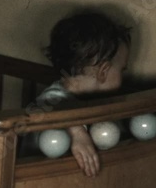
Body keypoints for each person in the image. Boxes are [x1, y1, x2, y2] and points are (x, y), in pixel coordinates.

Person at [36, 10, 132, 177]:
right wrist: (78, 133)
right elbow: (56, 106)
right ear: (103, 71)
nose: (122, 76)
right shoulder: (55, 96)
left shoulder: (99, 101)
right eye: (121, 70)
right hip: (35, 175)